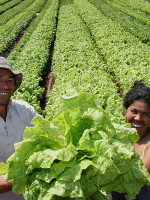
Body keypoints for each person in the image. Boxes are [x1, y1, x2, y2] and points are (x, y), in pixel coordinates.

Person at [0, 57, 39, 200]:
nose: (4, 85)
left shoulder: (24, 109)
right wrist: (28, 174)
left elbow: (52, 136)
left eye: (9, 80)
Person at [110, 81, 150, 200]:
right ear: (126, 110)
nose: (138, 118)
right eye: (134, 111)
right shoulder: (116, 131)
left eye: (145, 114)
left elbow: (137, 172)